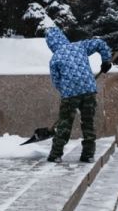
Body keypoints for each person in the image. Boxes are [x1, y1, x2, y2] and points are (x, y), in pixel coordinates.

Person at [44, 26, 113, 163]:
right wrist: (106, 61)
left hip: (70, 94)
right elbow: (99, 43)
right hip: (88, 90)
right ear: (63, 37)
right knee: (88, 123)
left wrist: (66, 91)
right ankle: (88, 155)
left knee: (65, 124)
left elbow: (56, 81)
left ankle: (56, 154)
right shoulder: (79, 46)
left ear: (50, 44)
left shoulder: (55, 59)